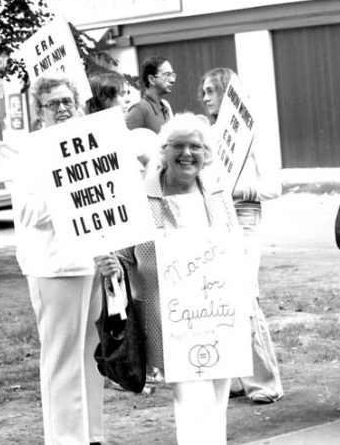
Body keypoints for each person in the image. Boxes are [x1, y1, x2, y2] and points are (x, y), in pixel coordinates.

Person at [95, 113, 241, 445]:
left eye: (196, 146)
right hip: (172, 321)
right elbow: (123, 254)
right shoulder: (142, 198)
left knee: (217, 401)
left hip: (218, 317)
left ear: (207, 152)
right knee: (192, 402)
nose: (187, 153)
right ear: (165, 150)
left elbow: (235, 249)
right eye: (178, 145)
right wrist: (113, 267)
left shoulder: (217, 194)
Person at [12, 73, 105, 445]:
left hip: (90, 264)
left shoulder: (88, 144)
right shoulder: (32, 150)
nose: (63, 108)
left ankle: (91, 434)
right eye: (53, 103)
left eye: (68, 100)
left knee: (92, 356)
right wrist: (70, 190)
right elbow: (30, 212)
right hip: (55, 267)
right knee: (62, 360)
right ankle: (65, 439)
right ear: (40, 111)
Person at [200, 67, 284, 404]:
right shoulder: (207, 133)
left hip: (245, 216)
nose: (205, 98)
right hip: (214, 218)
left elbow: (274, 185)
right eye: (203, 92)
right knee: (219, 297)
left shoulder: (252, 133)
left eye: (210, 91)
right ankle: (235, 375)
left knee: (244, 298)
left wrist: (239, 189)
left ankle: (265, 382)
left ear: (226, 92)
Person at [87, 72, 159, 170]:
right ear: (104, 99)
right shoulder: (85, 139)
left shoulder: (128, 136)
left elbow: (150, 162)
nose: (128, 100)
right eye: (122, 94)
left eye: (127, 93)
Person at [126, 56, 175, 132]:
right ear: (152, 79)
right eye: (167, 75)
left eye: (173, 75)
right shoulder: (139, 110)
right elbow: (123, 141)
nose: (172, 80)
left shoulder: (166, 106)